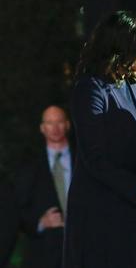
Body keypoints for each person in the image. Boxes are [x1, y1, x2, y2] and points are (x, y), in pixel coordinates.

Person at [63, 11, 136, 268]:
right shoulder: (90, 88)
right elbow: (95, 160)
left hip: (133, 210)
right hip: (101, 215)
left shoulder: (129, 83)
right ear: (119, 47)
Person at [13, 105, 72, 268]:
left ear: (67, 124)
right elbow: (19, 208)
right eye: (49, 123)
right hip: (45, 254)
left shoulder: (84, 160)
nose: (55, 128)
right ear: (42, 128)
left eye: (59, 121)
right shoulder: (30, 165)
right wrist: (41, 222)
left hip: (84, 247)